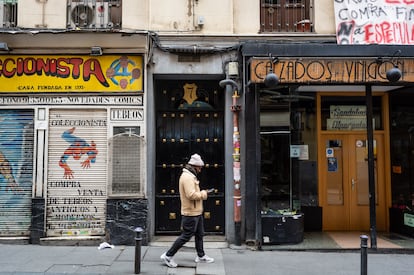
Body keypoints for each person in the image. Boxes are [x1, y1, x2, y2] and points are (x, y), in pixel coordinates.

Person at [160, 153, 215, 268]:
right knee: (186, 236)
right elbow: (191, 195)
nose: (200, 170)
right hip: (190, 212)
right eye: (199, 167)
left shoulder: (191, 176)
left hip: (197, 211)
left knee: (200, 234)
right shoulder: (187, 177)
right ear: (194, 166)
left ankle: (201, 256)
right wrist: (204, 193)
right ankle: (168, 255)